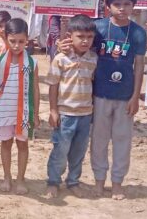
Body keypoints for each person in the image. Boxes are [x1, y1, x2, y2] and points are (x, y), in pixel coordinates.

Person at [89, 0, 146, 200]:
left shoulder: (138, 33)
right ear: (107, 6)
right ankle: (99, 180)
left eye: (127, 4)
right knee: (99, 139)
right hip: (100, 94)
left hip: (125, 96)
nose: (122, 8)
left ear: (134, 6)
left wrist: (135, 96)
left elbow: (139, 66)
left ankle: (117, 182)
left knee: (122, 140)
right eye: (117, 4)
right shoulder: (99, 28)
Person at [45, 15, 97, 199]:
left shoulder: (94, 59)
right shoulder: (60, 59)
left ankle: (73, 181)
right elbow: (53, 85)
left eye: (89, 37)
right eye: (80, 36)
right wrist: (53, 111)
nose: (85, 41)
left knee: (79, 151)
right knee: (60, 150)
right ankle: (53, 181)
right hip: (65, 114)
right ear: (70, 36)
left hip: (85, 114)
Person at [0, 18, 40, 195]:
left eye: (21, 42)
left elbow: (35, 89)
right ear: (5, 37)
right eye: (13, 41)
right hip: (4, 110)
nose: (17, 45)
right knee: (6, 144)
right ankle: (7, 177)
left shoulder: (32, 63)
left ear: (27, 40)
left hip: (24, 112)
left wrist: (36, 113)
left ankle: (21, 179)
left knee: (23, 145)